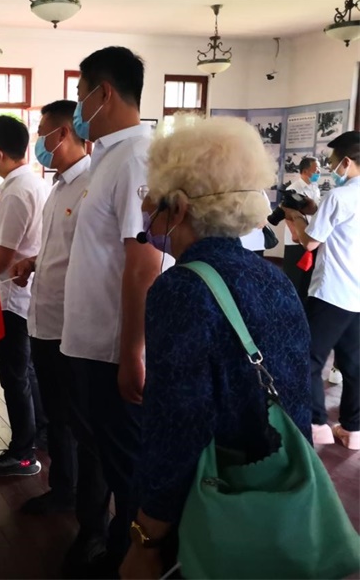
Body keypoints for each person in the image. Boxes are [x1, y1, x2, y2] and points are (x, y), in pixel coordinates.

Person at [119, 115, 312, 580]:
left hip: (213, 504)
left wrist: (147, 538)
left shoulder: (179, 290)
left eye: (151, 195)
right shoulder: (274, 279)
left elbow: (177, 427)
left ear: (179, 207)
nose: (143, 205)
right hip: (276, 497)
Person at [60, 46, 164, 576]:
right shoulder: (108, 156)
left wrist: (133, 353)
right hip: (93, 342)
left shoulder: (137, 157)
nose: (78, 108)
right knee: (106, 454)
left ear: (103, 93)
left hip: (112, 349)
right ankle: (116, 552)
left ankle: (137, 563)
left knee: (129, 469)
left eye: (81, 95)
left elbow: (144, 263)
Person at [10, 100, 90, 515]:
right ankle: (62, 489)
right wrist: (34, 261)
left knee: (75, 418)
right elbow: (59, 248)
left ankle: (80, 499)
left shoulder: (92, 184)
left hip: (70, 326)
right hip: (43, 320)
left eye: (42, 133)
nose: (38, 143)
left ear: (63, 134)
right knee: (56, 415)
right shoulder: (58, 187)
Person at [0, 115, 49, 476]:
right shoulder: (34, 184)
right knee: (27, 372)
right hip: (25, 294)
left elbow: (3, 257)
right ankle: (39, 436)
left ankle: (23, 453)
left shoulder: (16, 192)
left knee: (15, 376)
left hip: (12, 299)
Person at [283, 131, 360, 451]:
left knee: (308, 356)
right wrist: (315, 211)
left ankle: (317, 424)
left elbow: (310, 242)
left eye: (332, 162)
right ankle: (353, 430)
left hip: (332, 292)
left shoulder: (339, 196)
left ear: (347, 162)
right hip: (357, 296)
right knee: (354, 364)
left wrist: (294, 217)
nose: (330, 168)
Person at [283, 156, 321, 302]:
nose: (319, 172)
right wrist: (296, 234)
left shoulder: (315, 188)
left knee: (307, 279)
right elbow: (287, 215)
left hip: (311, 239)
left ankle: (305, 306)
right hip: (296, 242)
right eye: (316, 169)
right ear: (305, 171)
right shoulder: (293, 189)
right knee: (294, 279)